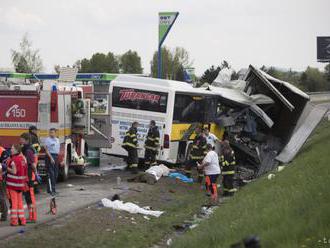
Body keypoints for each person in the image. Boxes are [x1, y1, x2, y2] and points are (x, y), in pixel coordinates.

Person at [6, 144, 27, 226]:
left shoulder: (14, 159)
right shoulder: (23, 159)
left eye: (12, 148)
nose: (11, 149)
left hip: (13, 184)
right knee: (20, 203)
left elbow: (14, 171)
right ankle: (22, 220)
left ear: (16, 150)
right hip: (20, 184)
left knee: (14, 203)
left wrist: (6, 167)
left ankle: (14, 221)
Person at [20, 132, 38, 223]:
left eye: (21, 139)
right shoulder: (26, 148)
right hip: (27, 176)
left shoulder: (29, 150)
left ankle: (33, 217)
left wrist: (36, 174)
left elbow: (33, 164)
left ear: (26, 140)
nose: (20, 140)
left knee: (30, 197)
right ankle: (30, 216)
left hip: (30, 176)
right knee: (27, 197)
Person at [44, 128, 60, 196]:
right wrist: (51, 158)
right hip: (50, 156)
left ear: (55, 133)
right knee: (51, 174)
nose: (51, 134)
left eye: (52, 132)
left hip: (56, 156)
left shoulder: (57, 140)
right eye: (50, 132)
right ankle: (51, 190)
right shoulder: (48, 140)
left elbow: (58, 149)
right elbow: (46, 150)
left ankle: (52, 189)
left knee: (56, 174)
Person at [28, 126, 41, 194]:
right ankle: (35, 189)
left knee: (29, 174)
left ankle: (29, 188)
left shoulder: (27, 136)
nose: (36, 131)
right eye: (36, 130)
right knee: (35, 173)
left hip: (28, 159)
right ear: (32, 130)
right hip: (34, 157)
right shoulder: (34, 137)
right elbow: (37, 148)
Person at [0, 144, 9, 222]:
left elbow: (5, 166)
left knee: (1, 197)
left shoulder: (3, 151)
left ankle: (4, 215)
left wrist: (3, 175)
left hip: (1, 178)